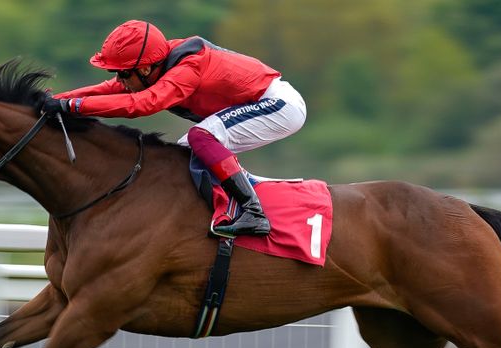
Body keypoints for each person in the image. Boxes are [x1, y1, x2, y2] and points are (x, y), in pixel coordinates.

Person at [43, 19, 307, 238]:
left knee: (200, 137)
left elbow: (143, 105)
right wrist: (58, 100)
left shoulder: (188, 68)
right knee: (182, 154)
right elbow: (109, 88)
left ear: (145, 68)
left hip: (279, 104)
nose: (120, 80)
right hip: (263, 102)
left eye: (123, 73)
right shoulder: (157, 64)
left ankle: (254, 213)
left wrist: (73, 107)